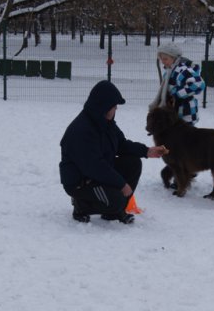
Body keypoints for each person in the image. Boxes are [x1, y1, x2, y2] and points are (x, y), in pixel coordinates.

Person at [60, 80, 168, 224]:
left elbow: (121, 144)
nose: (116, 108)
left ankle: (114, 212)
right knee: (116, 200)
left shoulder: (105, 122)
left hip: (98, 172)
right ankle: (81, 205)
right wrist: (121, 184)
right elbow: (95, 166)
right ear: (103, 106)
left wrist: (147, 151)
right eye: (114, 106)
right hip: (81, 182)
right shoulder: (81, 131)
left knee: (133, 163)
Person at [149, 43, 206, 125]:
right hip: (175, 113)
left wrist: (176, 94)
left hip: (185, 113)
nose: (163, 62)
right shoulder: (170, 70)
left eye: (165, 59)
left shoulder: (181, 70)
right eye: (161, 59)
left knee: (184, 133)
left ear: (174, 57)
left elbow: (198, 84)